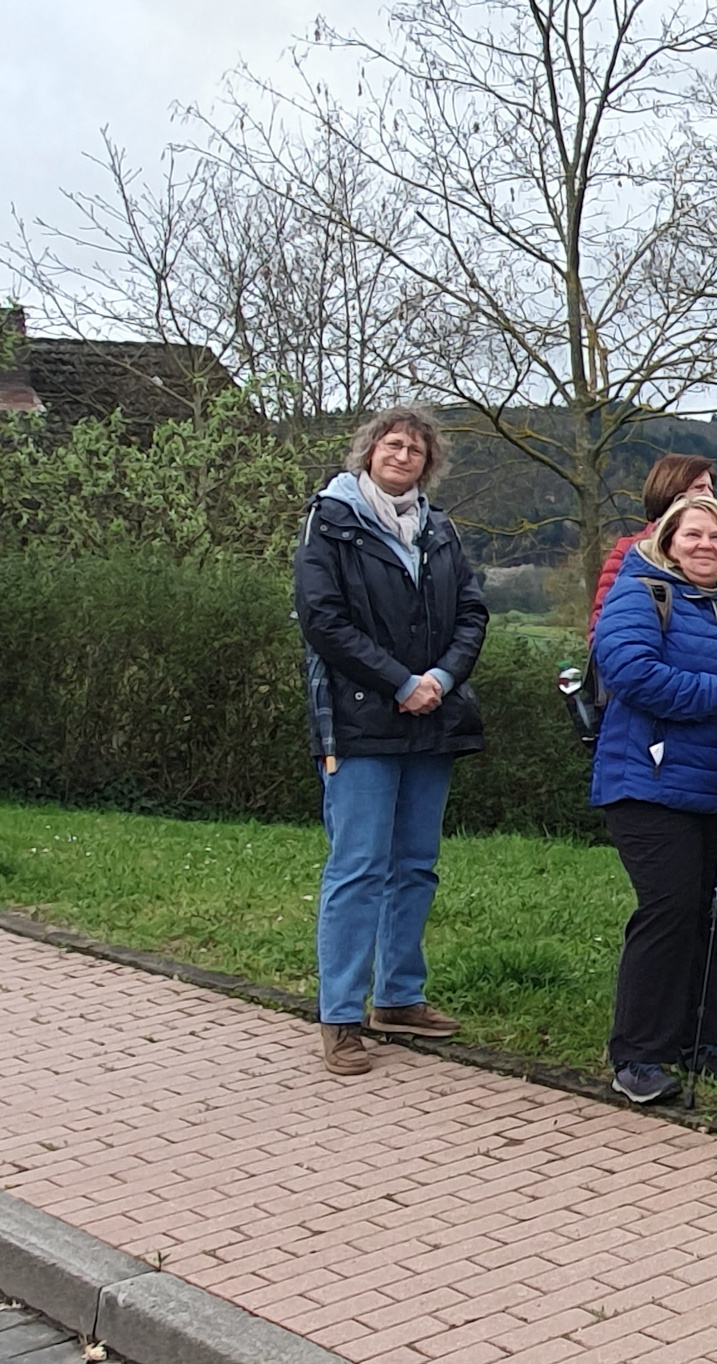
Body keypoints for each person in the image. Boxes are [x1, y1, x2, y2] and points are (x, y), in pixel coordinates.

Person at [293, 408, 486, 1076]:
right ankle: (340, 1016)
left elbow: (471, 612)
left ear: (429, 463)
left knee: (415, 864)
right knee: (358, 868)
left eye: (415, 449)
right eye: (393, 443)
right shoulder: (331, 520)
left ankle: (399, 997)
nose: (403, 455)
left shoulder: (440, 529)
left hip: (432, 719)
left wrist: (438, 679)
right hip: (357, 722)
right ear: (369, 451)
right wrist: (399, 682)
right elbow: (322, 620)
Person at [588, 495, 717, 1104]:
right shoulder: (640, 593)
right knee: (669, 910)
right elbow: (630, 672)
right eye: (693, 535)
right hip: (648, 782)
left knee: (715, 913)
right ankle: (637, 1054)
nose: (706, 545)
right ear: (669, 543)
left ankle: (699, 1040)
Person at [592, 454, 717, 622]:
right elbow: (602, 618)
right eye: (699, 487)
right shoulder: (630, 550)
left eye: (711, 489)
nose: (709, 496)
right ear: (670, 491)